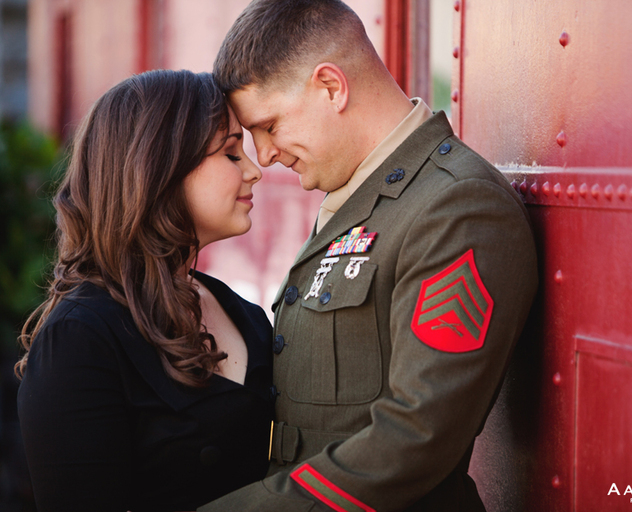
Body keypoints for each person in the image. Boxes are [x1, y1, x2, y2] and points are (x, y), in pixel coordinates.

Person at [200, 1, 538, 511]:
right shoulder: (357, 195)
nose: (263, 155)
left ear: (332, 87)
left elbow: (416, 436)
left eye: (268, 126)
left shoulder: (457, 207)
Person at [16, 69, 273, 512]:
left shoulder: (246, 315)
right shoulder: (81, 337)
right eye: (231, 153)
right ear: (160, 168)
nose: (255, 171)